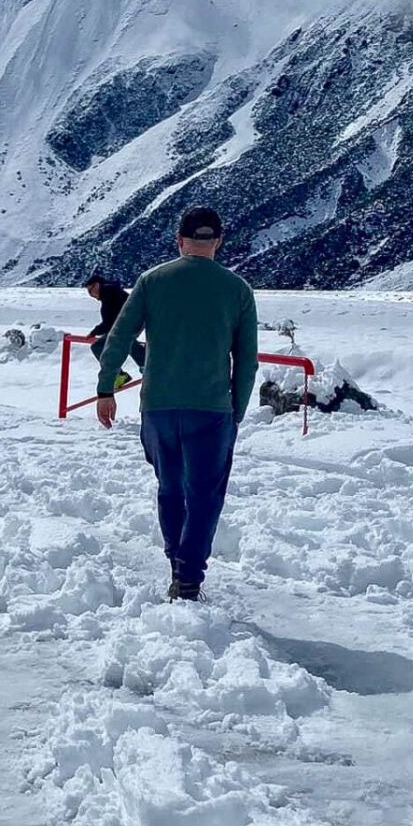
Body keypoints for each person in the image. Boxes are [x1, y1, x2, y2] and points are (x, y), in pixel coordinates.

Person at [95, 206, 258, 604]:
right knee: (204, 494)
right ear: (217, 242)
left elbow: (117, 339)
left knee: (170, 489)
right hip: (211, 409)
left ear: (179, 240)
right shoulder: (237, 290)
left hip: (159, 408)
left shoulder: (152, 282)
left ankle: (174, 565)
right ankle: (188, 578)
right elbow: (247, 359)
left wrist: (105, 390)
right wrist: (235, 411)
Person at [85, 272, 145, 387]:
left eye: (90, 290)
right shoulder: (110, 292)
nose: (90, 294)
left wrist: (95, 332)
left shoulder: (109, 293)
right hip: (131, 322)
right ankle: (122, 373)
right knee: (114, 341)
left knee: (105, 344)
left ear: (97, 285)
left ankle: (142, 366)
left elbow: (109, 321)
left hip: (131, 322)